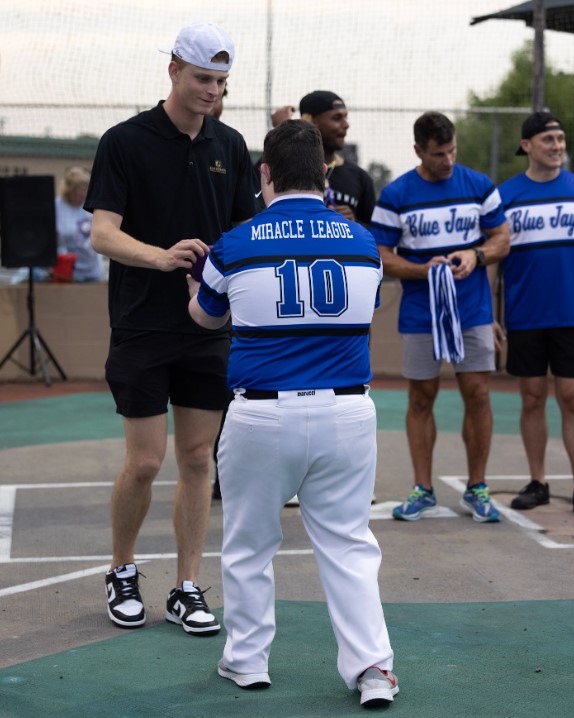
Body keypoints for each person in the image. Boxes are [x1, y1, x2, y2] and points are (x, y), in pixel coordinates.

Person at [188, 119, 398, 708]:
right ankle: (373, 670)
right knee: (349, 545)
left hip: (261, 416)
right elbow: (367, 306)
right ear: (326, 173)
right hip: (347, 412)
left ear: (265, 174)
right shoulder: (361, 242)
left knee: (250, 544)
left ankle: (247, 662)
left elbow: (204, 318)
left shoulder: (235, 242)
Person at [84, 22, 259, 634]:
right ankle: (122, 570)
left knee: (196, 460)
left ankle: (187, 586)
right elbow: (102, 232)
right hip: (141, 325)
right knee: (145, 462)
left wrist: (220, 275)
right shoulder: (125, 141)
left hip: (207, 328)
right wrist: (163, 258)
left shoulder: (231, 146)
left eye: (220, 81)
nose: (212, 90)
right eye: (203, 78)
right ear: (174, 72)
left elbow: (244, 233)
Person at [370, 111, 510, 523]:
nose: (447, 160)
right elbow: (380, 254)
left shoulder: (479, 184)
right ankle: (422, 488)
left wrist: (476, 254)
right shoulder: (397, 194)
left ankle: (478, 487)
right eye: (437, 154)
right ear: (418, 150)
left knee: (478, 394)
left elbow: (502, 238)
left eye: (451, 151)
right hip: (420, 313)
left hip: (473, 311)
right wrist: (422, 271)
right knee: (420, 397)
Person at [495, 111, 574, 520]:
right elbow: (493, 260)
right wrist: (491, 314)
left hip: (571, 315)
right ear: (527, 146)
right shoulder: (505, 196)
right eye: (549, 140)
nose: (558, 146)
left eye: (561, 139)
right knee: (531, 398)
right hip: (525, 315)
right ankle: (538, 481)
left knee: (573, 399)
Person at [296, 91, 376, 226]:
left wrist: (353, 224)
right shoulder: (286, 170)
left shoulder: (360, 177)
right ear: (311, 122)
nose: (346, 125)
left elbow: (376, 235)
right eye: (337, 118)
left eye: (345, 117)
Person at [55, 166, 104, 282]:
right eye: (80, 189)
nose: (83, 193)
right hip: (68, 270)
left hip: (92, 270)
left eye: (86, 189)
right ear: (70, 189)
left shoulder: (91, 206)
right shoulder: (57, 206)